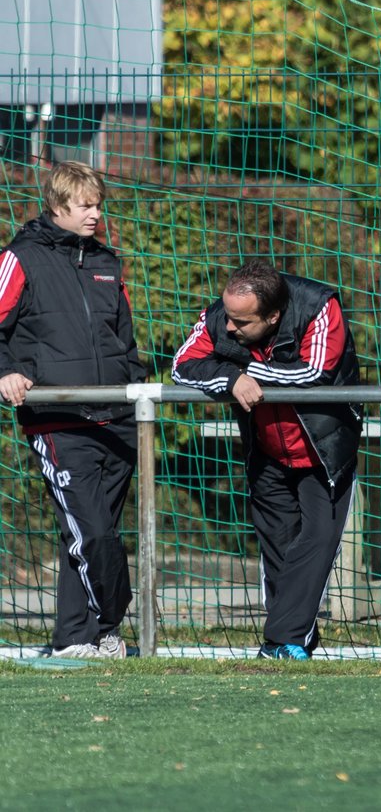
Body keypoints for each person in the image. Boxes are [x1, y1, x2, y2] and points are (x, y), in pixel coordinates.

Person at [172, 260, 362, 660]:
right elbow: (182, 366)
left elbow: (314, 372)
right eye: (228, 317)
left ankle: (280, 638)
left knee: (316, 542)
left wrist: (247, 369)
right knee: (277, 546)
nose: (228, 329)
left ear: (273, 316)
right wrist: (231, 379)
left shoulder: (321, 306)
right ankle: (293, 643)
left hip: (324, 451)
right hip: (266, 450)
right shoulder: (220, 315)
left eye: (241, 323)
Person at [0, 161, 146, 659]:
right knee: (93, 532)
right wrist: (6, 370)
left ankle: (73, 639)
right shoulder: (20, 258)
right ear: (59, 205)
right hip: (60, 421)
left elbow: (124, 340)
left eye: (99, 204)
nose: (96, 214)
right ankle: (108, 627)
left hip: (118, 421)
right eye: (86, 205)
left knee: (85, 533)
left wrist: (135, 387)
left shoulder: (108, 262)